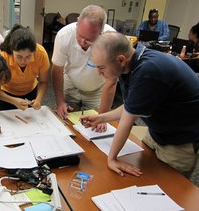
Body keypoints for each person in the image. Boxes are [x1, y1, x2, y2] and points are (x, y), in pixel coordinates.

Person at [82, 32, 199, 179]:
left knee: (166, 190)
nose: (99, 73)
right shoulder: (130, 63)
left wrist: (112, 159)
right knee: (142, 178)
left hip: (179, 143)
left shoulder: (147, 71)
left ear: (121, 59)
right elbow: (131, 106)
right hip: (157, 133)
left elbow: (128, 120)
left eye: (102, 67)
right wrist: (101, 118)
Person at [51, 5, 116, 131]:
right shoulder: (64, 35)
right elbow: (57, 69)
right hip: (70, 84)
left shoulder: (111, 40)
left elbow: (111, 81)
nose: (82, 41)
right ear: (77, 22)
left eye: (88, 39)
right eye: (80, 35)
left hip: (97, 90)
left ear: (101, 32)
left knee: (95, 128)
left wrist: (103, 116)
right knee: (66, 124)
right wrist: (60, 102)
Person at [0, 24, 50, 111]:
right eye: (19, 57)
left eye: (28, 57)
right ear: (12, 51)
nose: (23, 61)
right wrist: (13, 100)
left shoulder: (40, 53)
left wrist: (38, 99)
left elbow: (43, 81)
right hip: (6, 95)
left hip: (31, 92)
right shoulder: (3, 56)